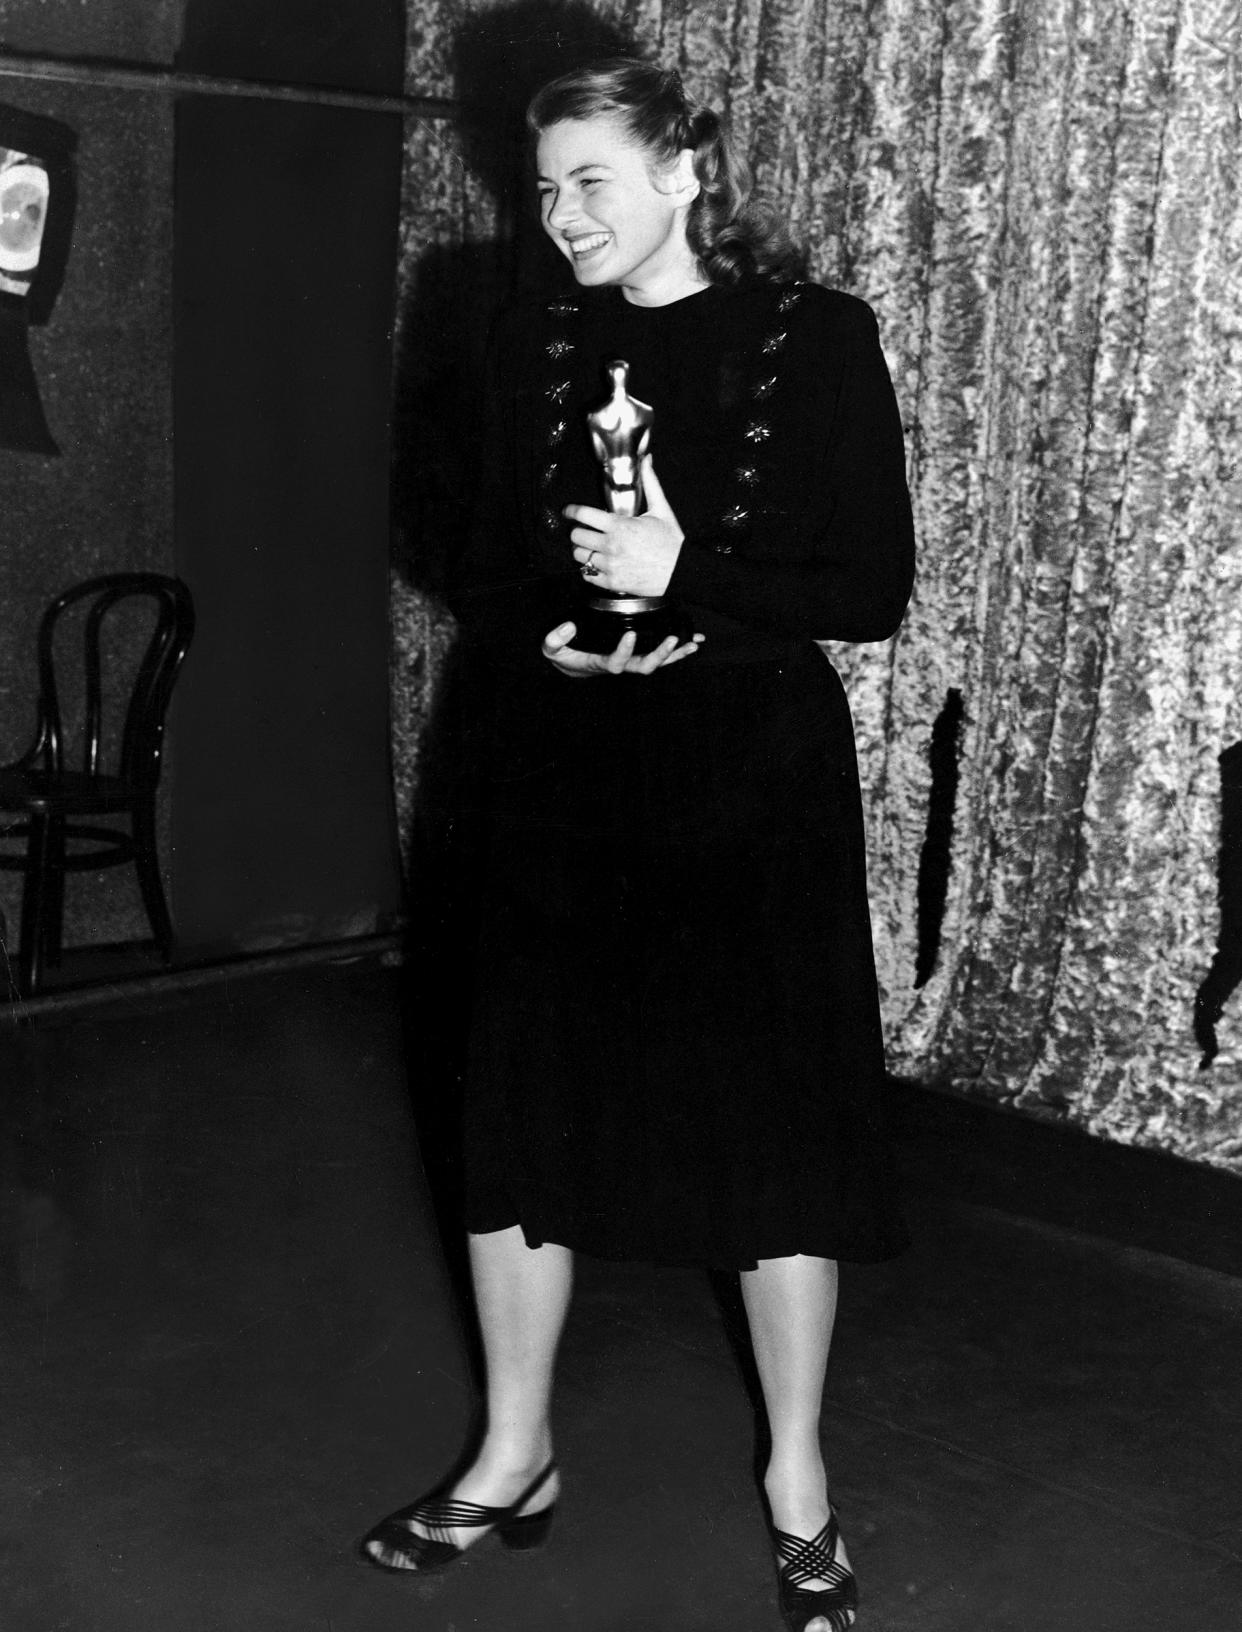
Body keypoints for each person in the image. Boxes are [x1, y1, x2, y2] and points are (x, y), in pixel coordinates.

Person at [362, 57, 915, 1632]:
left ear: (688, 169)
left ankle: (796, 1485)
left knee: (767, 1131)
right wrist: (546, 632)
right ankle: (512, 1451)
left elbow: (867, 590)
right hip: (545, 762)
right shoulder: (505, 322)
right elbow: (457, 542)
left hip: (739, 776)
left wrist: (693, 570)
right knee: (513, 1106)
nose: (561, 216)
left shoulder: (815, 340)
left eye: (591, 180)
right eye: (542, 187)